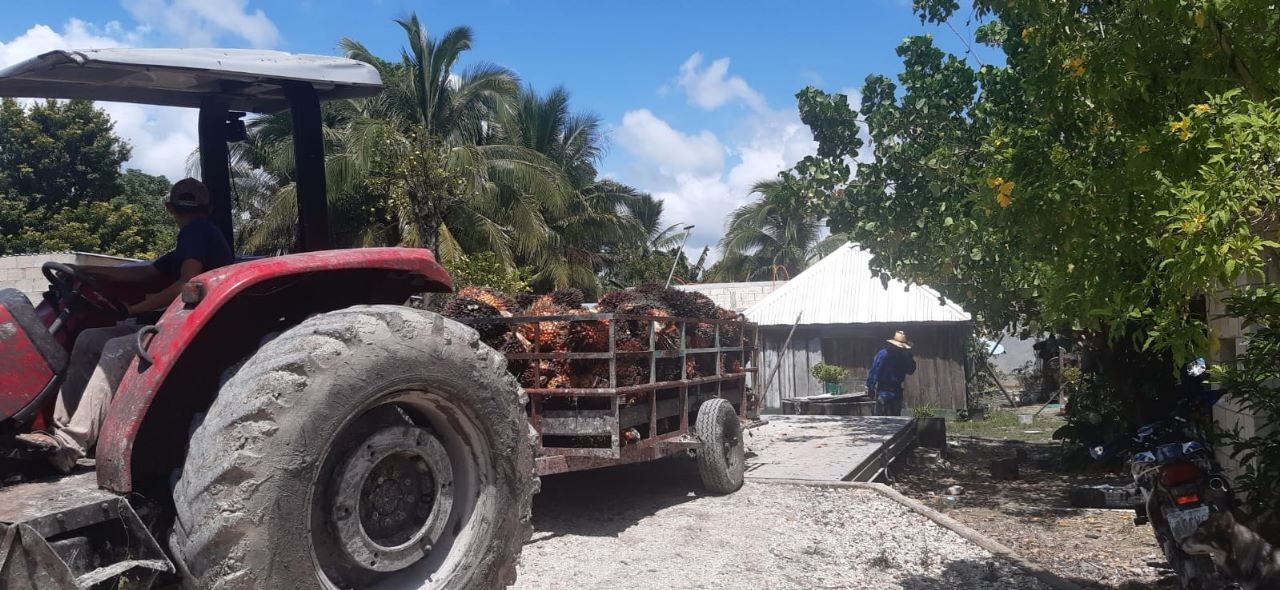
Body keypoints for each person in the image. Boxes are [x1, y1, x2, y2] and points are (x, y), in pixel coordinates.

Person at [16, 178, 233, 472]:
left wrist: (139, 307)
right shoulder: (198, 235)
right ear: (209, 207)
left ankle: (70, 445)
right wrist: (84, 270)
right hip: (181, 324)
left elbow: (188, 281)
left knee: (116, 348)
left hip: (194, 330)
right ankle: (58, 432)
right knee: (90, 338)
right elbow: (144, 272)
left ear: (168, 208)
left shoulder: (197, 232)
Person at [866, 330, 917, 416]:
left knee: (887, 422)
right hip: (888, 391)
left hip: (890, 391)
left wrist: (871, 387)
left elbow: (874, 371)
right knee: (891, 421)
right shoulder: (886, 355)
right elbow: (911, 370)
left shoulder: (884, 354)